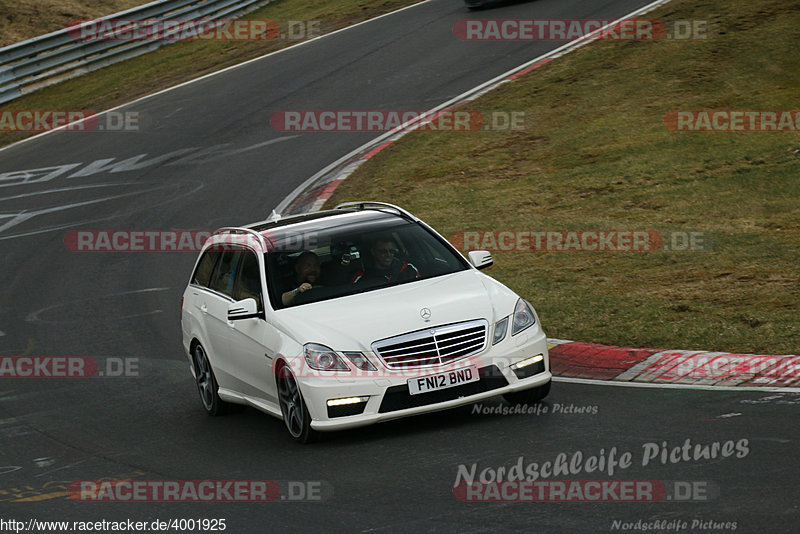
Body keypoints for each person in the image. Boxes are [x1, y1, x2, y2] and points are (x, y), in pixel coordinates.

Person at [352, 237, 419, 285]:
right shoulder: (362, 277)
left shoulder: (408, 269)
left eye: (391, 251)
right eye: (383, 251)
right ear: (373, 252)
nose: (388, 255)